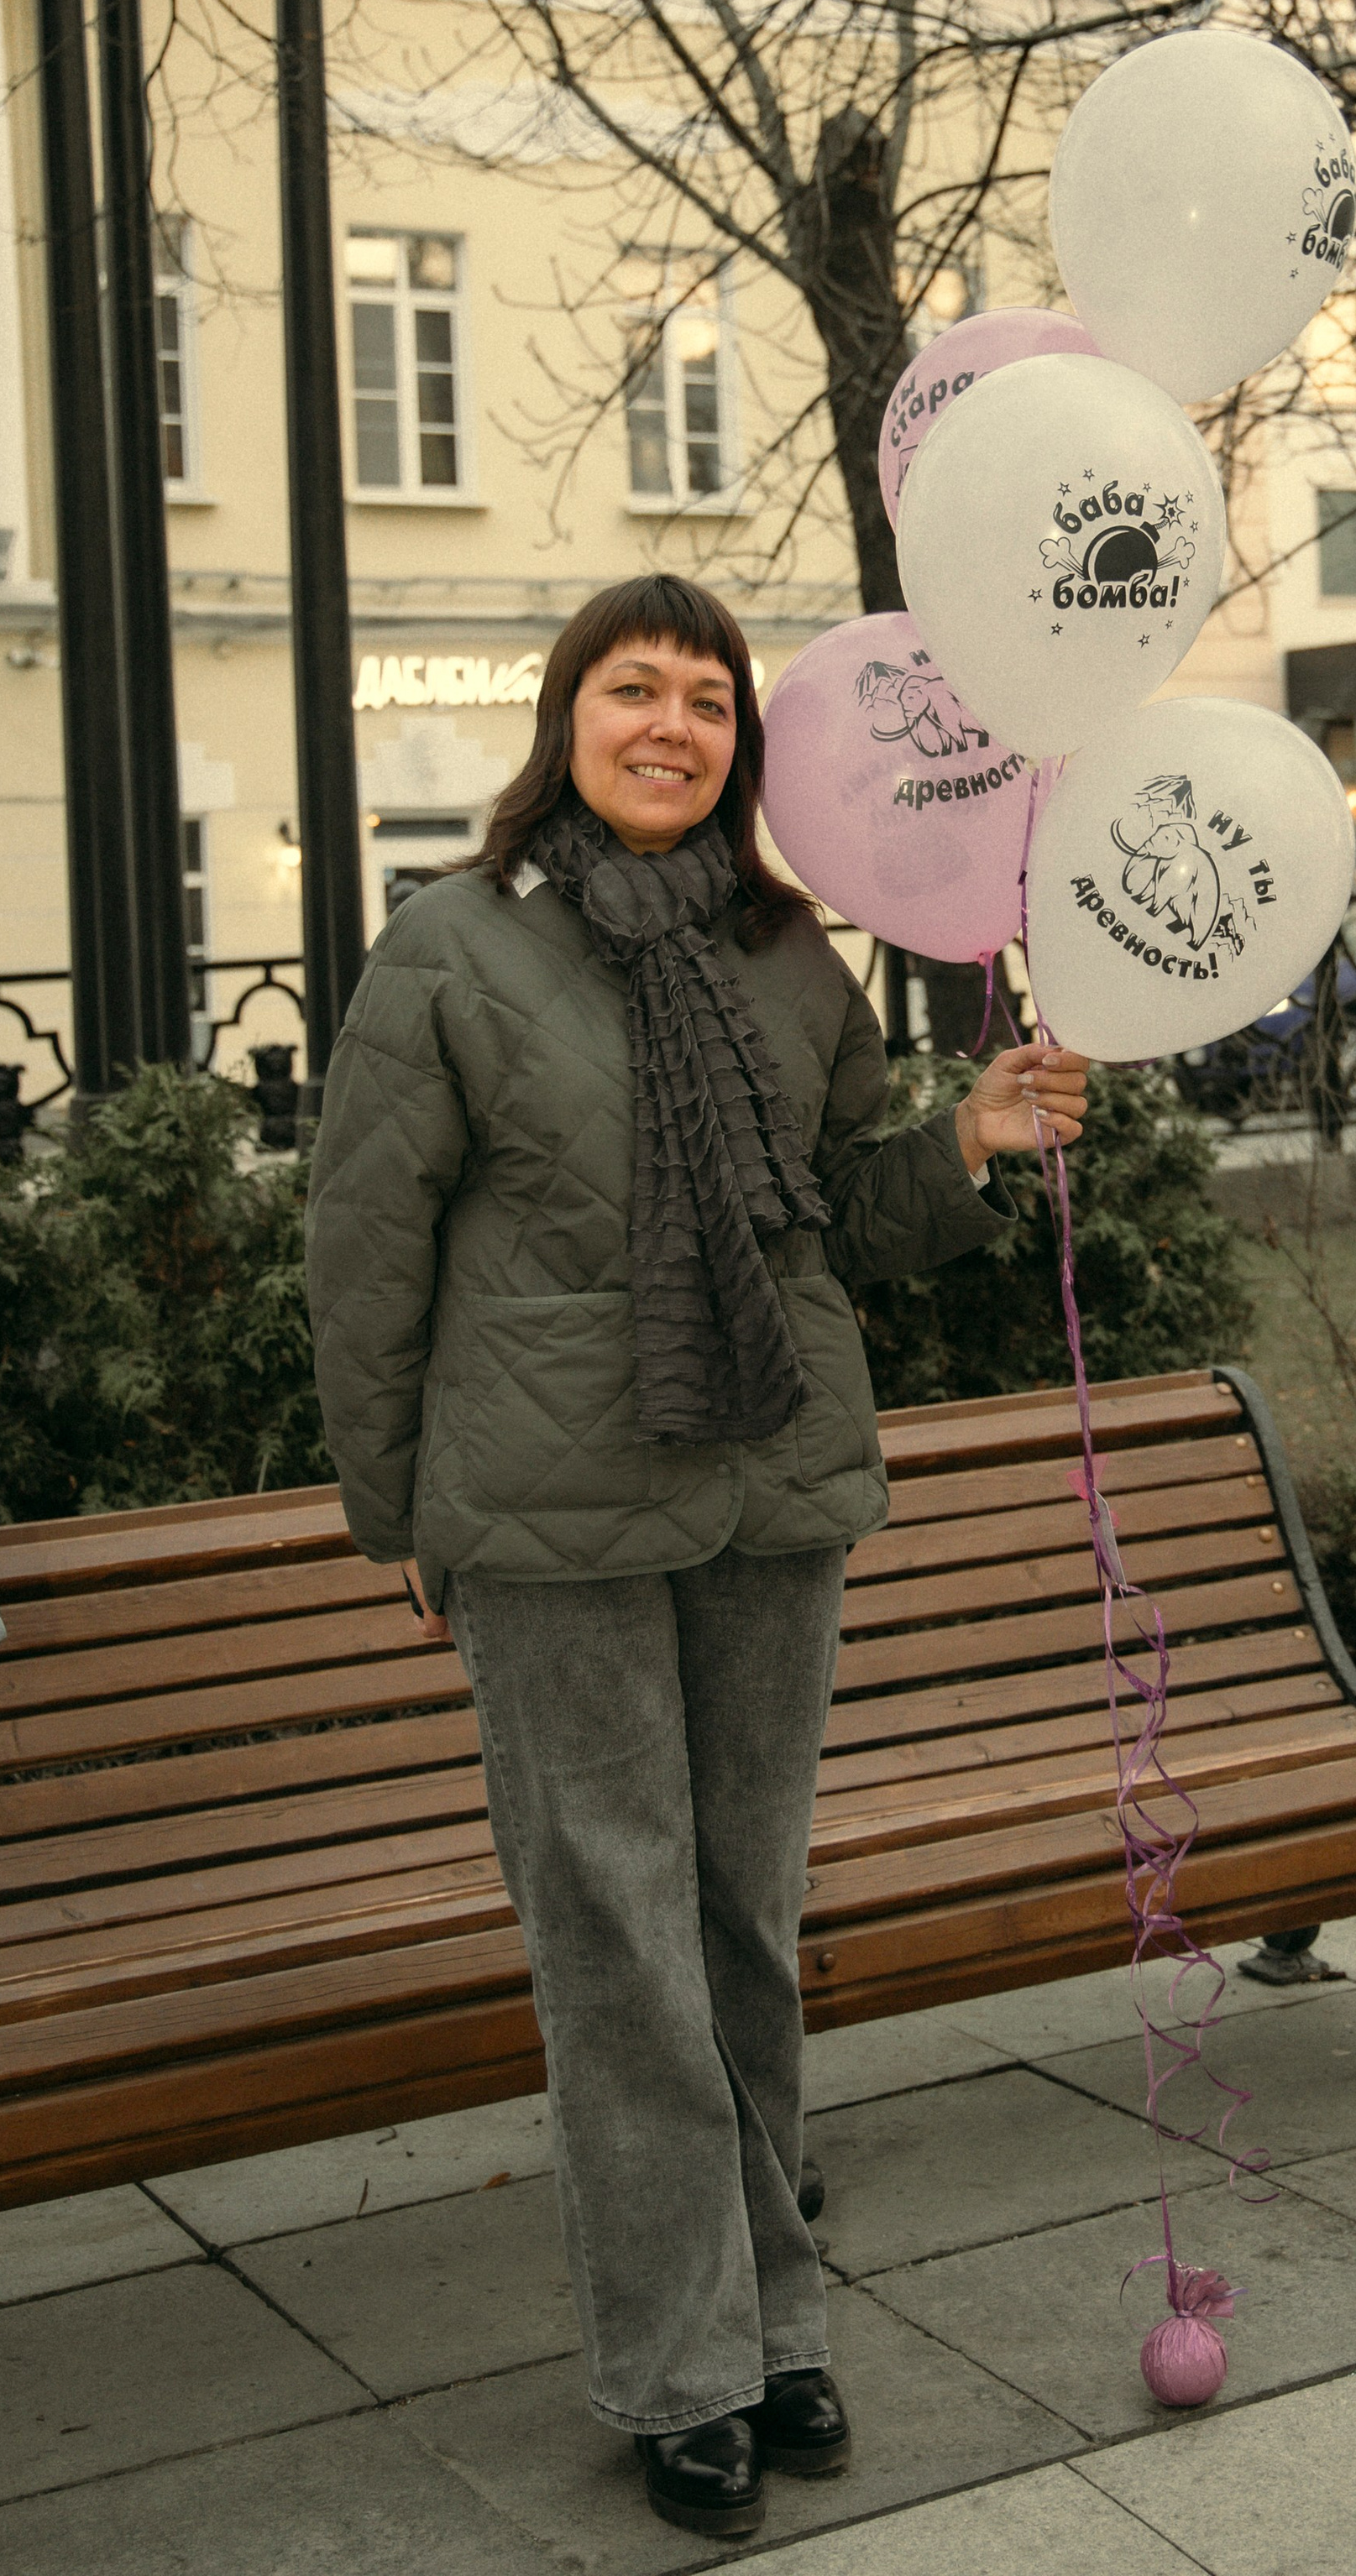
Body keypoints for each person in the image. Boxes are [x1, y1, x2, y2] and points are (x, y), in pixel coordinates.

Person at [305, 574, 1087, 2545]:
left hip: (766, 1499)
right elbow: (362, 1254)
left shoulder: (788, 960)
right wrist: (397, 1513)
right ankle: (680, 2367)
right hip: (550, 1524)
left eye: (709, 701)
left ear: (743, 744)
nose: (672, 724)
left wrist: (973, 1141)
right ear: (564, 717)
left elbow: (831, 1216)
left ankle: (773, 2316)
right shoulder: (453, 953)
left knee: (737, 1926)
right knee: (618, 1949)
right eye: (633, 690)